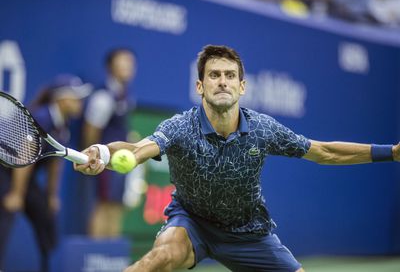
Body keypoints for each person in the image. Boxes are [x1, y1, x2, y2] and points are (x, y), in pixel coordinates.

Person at [74, 45, 400, 272]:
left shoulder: (262, 129)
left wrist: (392, 153)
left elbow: (324, 152)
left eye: (230, 75)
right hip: (193, 223)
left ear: (242, 86)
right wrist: (102, 153)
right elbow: (136, 151)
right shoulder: (179, 127)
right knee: (161, 256)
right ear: (200, 86)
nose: (223, 82)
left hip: (249, 232)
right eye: (214, 75)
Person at [0, 75, 92, 272]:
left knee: (46, 218)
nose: (80, 103)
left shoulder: (63, 124)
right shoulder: (42, 117)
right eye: (75, 97)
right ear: (61, 98)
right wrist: (16, 194)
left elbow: (54, 164)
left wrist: (51, 196)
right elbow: (23, 158)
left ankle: (48, 266)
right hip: (7, 172)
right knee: (4, 220)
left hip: (24, 175)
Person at [81, 48, 136, 238]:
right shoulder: (103, 97)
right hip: (103, 161)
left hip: (119, 161)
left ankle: (110, 257)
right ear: (110, 66)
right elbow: (91, 132)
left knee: (116, 207)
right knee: (103, 206)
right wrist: (94, 156)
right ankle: (96, 257)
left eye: (130, 62)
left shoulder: (124, 95)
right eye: (123, 61)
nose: (128, 66)